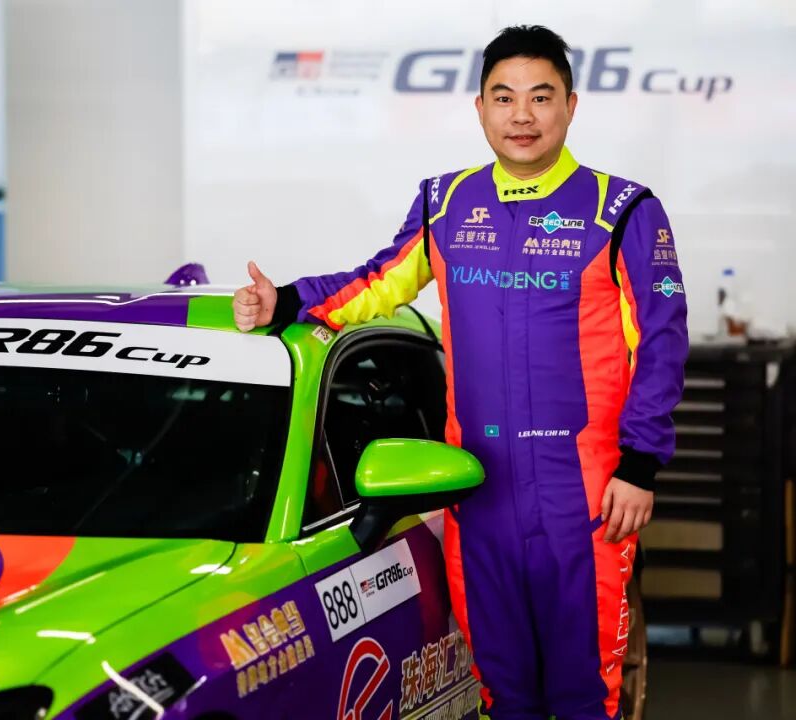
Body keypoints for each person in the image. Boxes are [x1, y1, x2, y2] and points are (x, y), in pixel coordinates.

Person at [232, 25, 688, 720]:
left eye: (540, 97)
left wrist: (641, 464)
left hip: (588, 497)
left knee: (585, 695)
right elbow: (378, 282)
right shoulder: (446, 204)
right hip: (479, 492)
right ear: (480, 109)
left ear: (571, 105)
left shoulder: (623, 210)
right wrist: (288, 301)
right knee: (501, 691)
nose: (522, 115)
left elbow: (662, 340)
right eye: (504, 98)